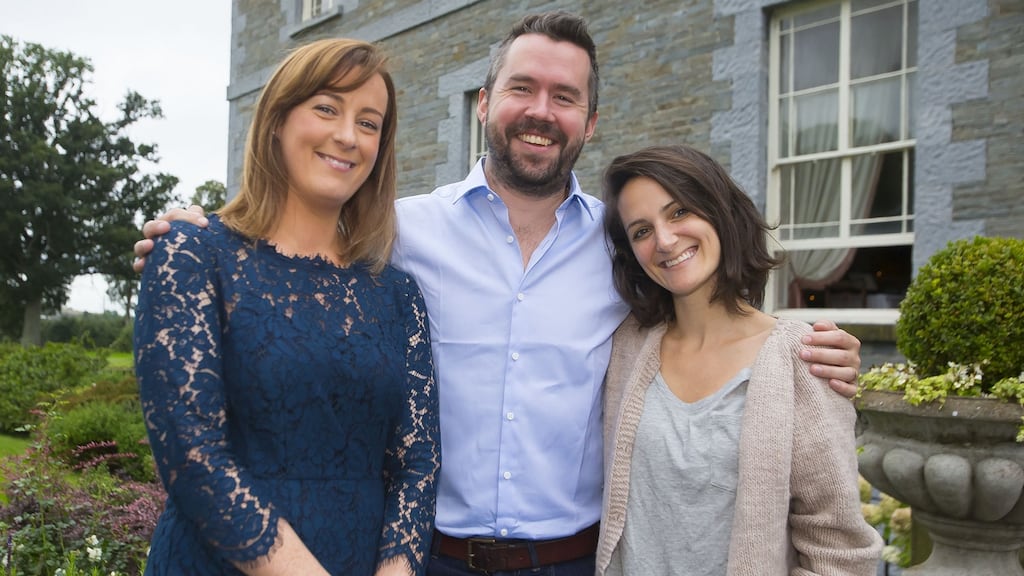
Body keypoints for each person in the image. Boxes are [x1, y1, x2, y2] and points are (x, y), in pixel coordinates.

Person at [133, 12, 862, 576]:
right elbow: (287, 250)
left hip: (573, 560)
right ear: (485, 104)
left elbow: (702, 305)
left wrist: (798, 347)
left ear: (590, 122)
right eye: (522, 88)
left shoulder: (624, 246)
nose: (541, 110)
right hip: (432, 557)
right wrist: (196, 234)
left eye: (565, 97)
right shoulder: (400, 233)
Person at [133, 38, 439, 576]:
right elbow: (191, 451)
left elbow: (416, 466)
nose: (348, 136)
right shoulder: (193, 253)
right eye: (326, 108)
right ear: (277, 119)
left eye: (369, 123)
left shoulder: (398, 295)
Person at [596, 145, 882, 576]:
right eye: (641, 231)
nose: (665, 241)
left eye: (678, 213)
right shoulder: (624, 348)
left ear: (718, 212)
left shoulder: (803, 361)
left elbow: (837, 550)